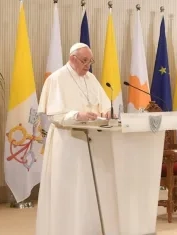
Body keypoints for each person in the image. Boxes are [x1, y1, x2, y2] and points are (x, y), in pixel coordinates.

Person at [36, 43, 113, 234]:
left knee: (88, 190)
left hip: (91, 141)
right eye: (85, 61)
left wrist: (106, 110)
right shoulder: (57, 79)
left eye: (90, 61)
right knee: (69, 189)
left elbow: (103, 103)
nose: (88, 65)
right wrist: (78, 115)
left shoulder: (91, 78)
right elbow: (54, 116)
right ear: (72, 59)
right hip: (67, 142)